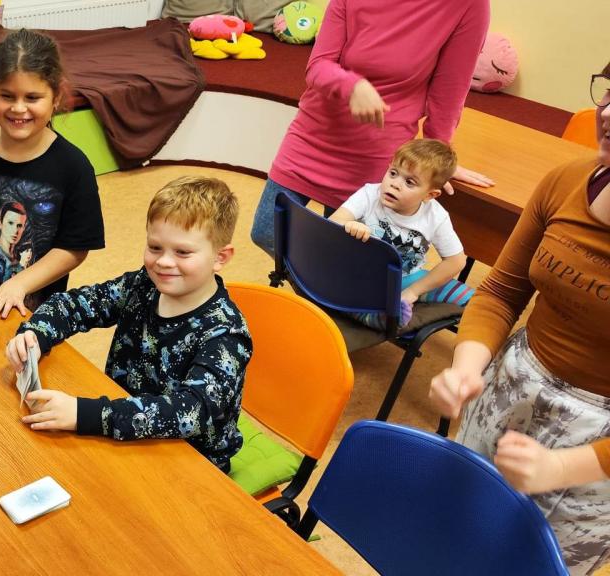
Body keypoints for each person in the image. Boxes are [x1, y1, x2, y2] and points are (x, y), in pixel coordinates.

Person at [428, 64, 610, 574]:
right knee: (450, 537)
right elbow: (501, 292)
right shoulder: (567, 180)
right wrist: (467, 368)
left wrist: (561, 468)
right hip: (512, 384)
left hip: (595, 449)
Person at [4, 176, 251, 471]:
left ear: (220, 257)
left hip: (188, 463)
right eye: (155, 247)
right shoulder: (143, 285)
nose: (164, 262)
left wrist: (86, 414)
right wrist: (35, 334)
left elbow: (190, 411)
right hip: (121, 433)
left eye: (182, 252)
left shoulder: (226, 333)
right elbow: (77, 304)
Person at [249, 0, 493, 257]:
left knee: (341, 254)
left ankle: (322, 280)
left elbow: (449, 90)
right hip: (313, 133)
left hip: (377, 153)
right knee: (267, 232)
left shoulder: (469, 5)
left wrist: (437, 157)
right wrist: (352, 86)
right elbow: (317, 66)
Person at [0, 28, 105, 318]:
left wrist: (19, 284)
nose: (18, 108)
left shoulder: (74, 167)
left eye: (33, 97)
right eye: (7, 96)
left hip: (31, 318)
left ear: (56, 97)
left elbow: (74, 248)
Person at [328, 139, 475, 329]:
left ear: (430, 195)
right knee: (342, 291)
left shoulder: (436, 216)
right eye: (393, 173)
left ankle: (392, 311)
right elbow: (333, 221)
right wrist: (349, 225)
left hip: (405, 279)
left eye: (409, 182)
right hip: (360, 277)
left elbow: (456, 261)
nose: (395, 184)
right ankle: (379, 318)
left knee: (474, 300)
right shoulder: (369, 194)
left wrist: (413, 292)